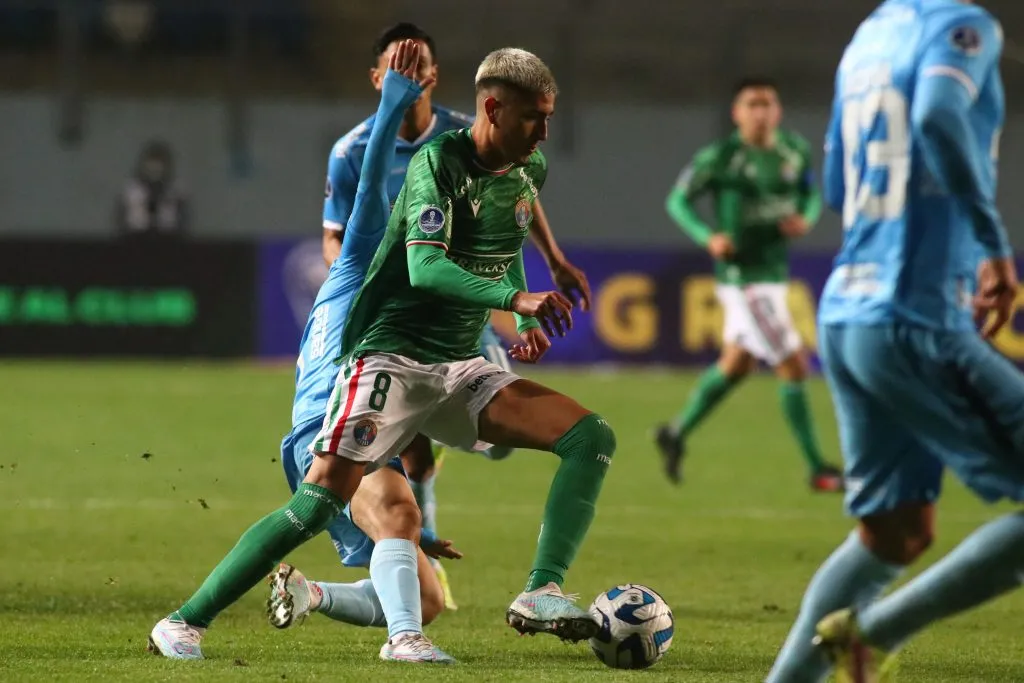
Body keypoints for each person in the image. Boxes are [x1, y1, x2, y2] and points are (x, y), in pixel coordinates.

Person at [149, 45, 611, 663]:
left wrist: (518, 309)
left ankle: (540, 590)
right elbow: (425, 268)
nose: (546, 131)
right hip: (390, 361)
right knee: (315, 506)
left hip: (456, 366)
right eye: (534, 117)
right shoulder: (436, 164)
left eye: (550, 116)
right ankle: (183, 622)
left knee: (589, 437)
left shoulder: (531, 171)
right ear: (494, 108)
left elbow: (507, 230)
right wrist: (516, 297)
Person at [150, 42, 458, 664]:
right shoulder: (363, 255)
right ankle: (402, 644)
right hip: (330, 416)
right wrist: (396, 99)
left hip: (361, 421)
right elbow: (372, 183)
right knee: (385, 512)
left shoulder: (416, 292)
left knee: (422, 592)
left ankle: (307, 596)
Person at [765, 2, 1016, 682]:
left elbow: (838, 183)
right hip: (914, 315)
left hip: (849, 309)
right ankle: (871, 635)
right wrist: (988, 248)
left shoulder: (868, 37)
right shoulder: (962, 25)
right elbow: (937, 115)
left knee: (897, 532)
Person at [320, 22, 590, 610]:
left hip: (461, 306)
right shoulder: (352, 152)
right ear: (377, 78)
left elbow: (512, 203)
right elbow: (335, 240)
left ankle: (408, 535)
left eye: (416, 67)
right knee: (387, 454)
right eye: (396, 66)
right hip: (396, 316)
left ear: (434, 76)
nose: (407, 76)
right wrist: (351, 287)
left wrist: (552, 263)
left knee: (497, 443)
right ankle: (406, 559)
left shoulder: (468, 135)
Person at [653, 77, 843, 493]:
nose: (760, 111)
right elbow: (678, 200)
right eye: (751, 104)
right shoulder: (721, 158)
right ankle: (818, 469)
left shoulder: (793, 151)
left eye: (767, 103)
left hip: (775, 272)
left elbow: (810, 194)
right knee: (793, 363)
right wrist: (709, 237)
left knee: (737, 364)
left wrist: (807, 217)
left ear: (778, 111)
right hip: (743, 278)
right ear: (737, 113)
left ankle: (676, 432)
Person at [114, 140, 189, 240]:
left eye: (159, 164)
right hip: (134, 240)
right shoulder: (131, 192)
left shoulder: (176, 192)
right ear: (144, 165)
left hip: (169, 240)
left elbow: (182, 222)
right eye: (151, 164)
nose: (155, 168)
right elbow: (121, 221)